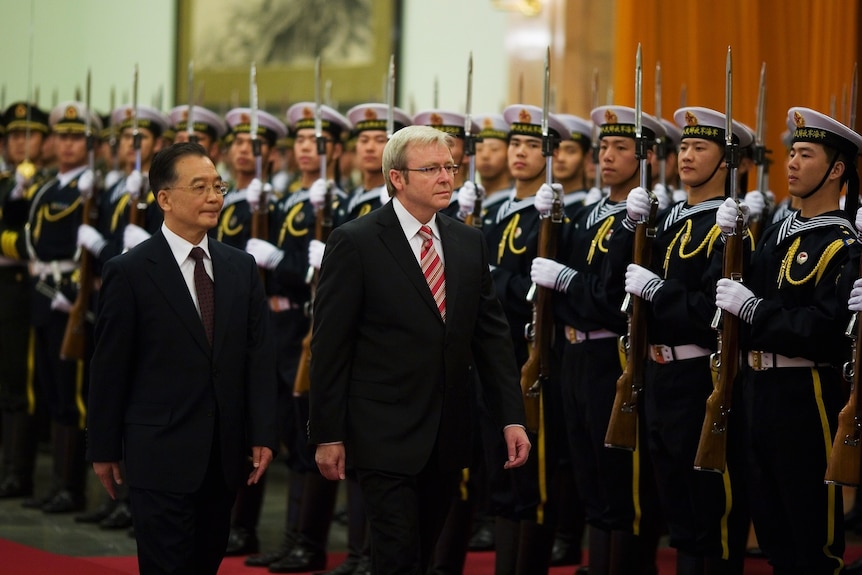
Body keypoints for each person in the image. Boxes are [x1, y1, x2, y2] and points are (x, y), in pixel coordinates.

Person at [309, 125, 530, 575]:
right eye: (431, 169)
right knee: (396, 556)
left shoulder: (468, 241)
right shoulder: (356, 241)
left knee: (424, 551)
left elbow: (491, 340)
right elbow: (330, 347)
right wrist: (327, 434)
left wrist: (511, 416)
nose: (447, 177)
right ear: (398, 178)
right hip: (382, 432)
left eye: (450, 166)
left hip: (448, 431)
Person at [85, 141, 278, 575]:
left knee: (205, 562)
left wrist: (264, 431)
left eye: (218, 186)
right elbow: (109, 366)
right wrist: (103, 446)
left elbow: (257, 357)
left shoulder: (239, 267)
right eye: (200, 187)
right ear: (165, 199)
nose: (214, 197)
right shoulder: (130, 271)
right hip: (159, 451)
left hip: (223, 455)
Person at [717, 107, 862, 574]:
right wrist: (732, 239)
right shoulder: (780, 230)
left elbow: (825, 329)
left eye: (806, 154)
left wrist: (756, 310)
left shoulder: (842, 242)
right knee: (773, 527)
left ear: (836, 169)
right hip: (758, 388)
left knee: (810, 534)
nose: (793, 163)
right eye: (792, 153)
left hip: (806, 395)